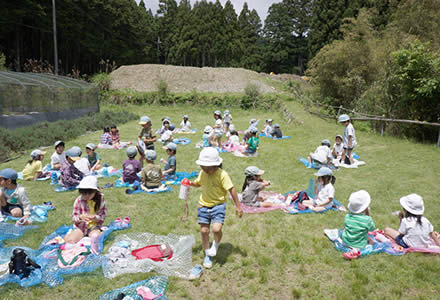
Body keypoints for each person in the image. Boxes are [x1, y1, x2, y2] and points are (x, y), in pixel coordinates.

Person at [189, 148, 243, 269]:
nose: (204, 170)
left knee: (216, 229)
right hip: (203, 204)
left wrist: (238, 207)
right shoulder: (203, 173)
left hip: (218, 205)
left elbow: (232, 189)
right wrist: (190, 184)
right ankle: (208, 254)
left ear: (216, 165)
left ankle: (215, 246)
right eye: (202, 167)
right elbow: (198, 183)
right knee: (204, 231)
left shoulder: (222, 175)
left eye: (207, 168)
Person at [64, 176, 107, 250]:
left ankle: (97, 233)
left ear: (95, 192)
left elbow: (103, 215)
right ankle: (70, 233)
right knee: (70, 241)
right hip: (81, 227)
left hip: (94, 226)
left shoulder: (100, 199)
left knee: (96, 237)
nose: (86, 196)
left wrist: (95, 217)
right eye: (84, 194)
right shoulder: (79, 200)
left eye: (89, 194)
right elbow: (74, 217)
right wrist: (80, 217)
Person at [341, 190, 375, 259]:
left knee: (345, 230)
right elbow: (372, 229)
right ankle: (355, 252)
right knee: (371, 241)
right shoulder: (367, 220)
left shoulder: (347, 216)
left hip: (345, 241)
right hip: (359, 244)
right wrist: (368, 214)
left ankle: (352, 249)